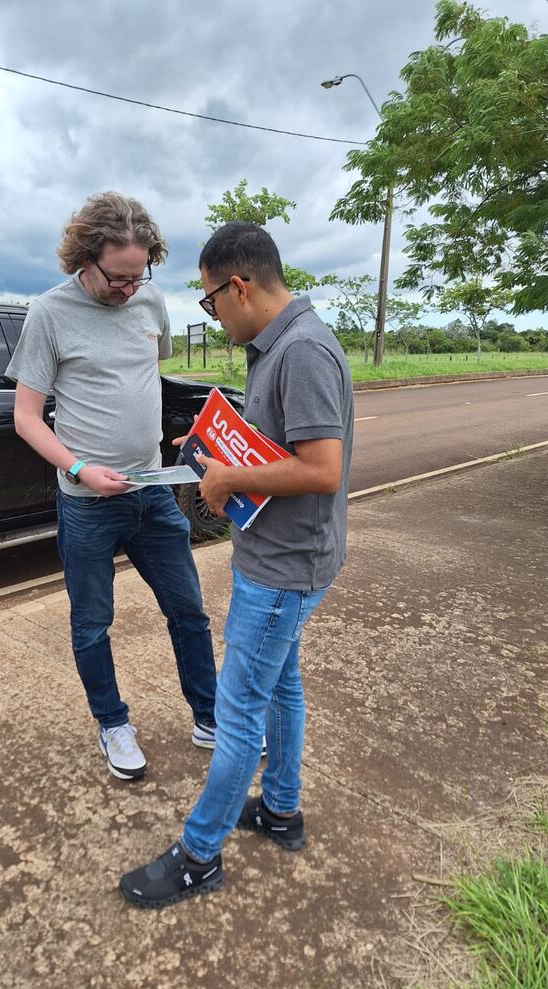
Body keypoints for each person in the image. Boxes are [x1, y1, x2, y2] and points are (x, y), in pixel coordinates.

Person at [120, 221, 354, 907]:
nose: (211, 312)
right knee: (281, 686)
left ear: (240, 285)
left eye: (210, 300)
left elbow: (322, 469)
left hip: (284, 567)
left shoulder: (304, 351)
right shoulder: (273, 346)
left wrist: (222, 485)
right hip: (282, 556)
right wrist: (206, 450)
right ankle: (280, 809)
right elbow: (273, 443)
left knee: (238, 709)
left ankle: (199, 853)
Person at [6, 191, 218, 781]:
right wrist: (79, 470)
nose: (130, 290)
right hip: (88, 502)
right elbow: (26, 417)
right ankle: (113, 724)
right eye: (118, 278)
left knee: (189, 612)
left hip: (152, 490)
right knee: (93, 623)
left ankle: (210, 715)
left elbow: (149, 380)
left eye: (139, 276)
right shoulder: (49, 313)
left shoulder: (150, 301)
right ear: (84, 257)